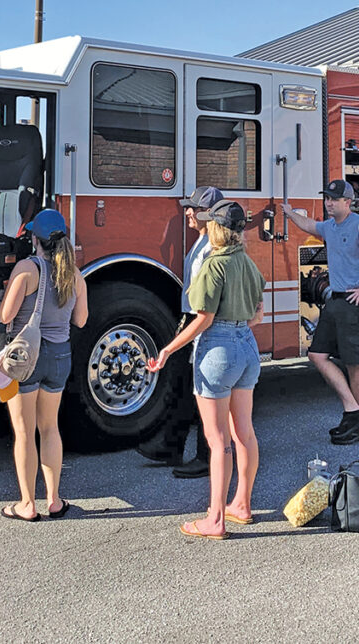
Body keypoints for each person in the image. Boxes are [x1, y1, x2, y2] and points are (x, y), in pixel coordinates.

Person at [149, 200, 265, 540]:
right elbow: (259, 311)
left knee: (218, 443)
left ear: (214, 227)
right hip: (247, 346)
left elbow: (204, 318)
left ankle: (215, 519)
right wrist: (244, 325)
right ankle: (241, 504)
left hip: (218, 349)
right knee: (244, 432)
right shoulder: (247, 261)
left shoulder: (214, 265)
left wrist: (168, 349)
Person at [283, 179, 359, 445]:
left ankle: (353, 422)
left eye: (334, 199)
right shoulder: (330, 226)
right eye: (327, 198)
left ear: (348, 202)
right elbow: (310, 225)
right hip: (336, 300)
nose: (328, 203)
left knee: (354, 365)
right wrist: (288, 213)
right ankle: (353, 410)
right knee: (316, 354)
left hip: (357, 303)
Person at [0, 209, 89, 522]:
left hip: (27, 358)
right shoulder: (74, 273)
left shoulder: (27, 268)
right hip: (60, 356)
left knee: (24, 433)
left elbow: (6, 316)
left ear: (35, 239)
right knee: (49, 428)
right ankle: (54, 500)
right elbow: (81, 319)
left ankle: (26, 504)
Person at [137, 185, 224, 479]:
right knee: (181, 382)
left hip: (201, 321)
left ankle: (206, 456)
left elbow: (209, 303)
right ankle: (170, 446)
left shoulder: (212, 248)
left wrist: (194, 327)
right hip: (189, 318)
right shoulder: (200, 240)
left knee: (202, 390)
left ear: (208, 214)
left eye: (193, 208)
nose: (187, 212)